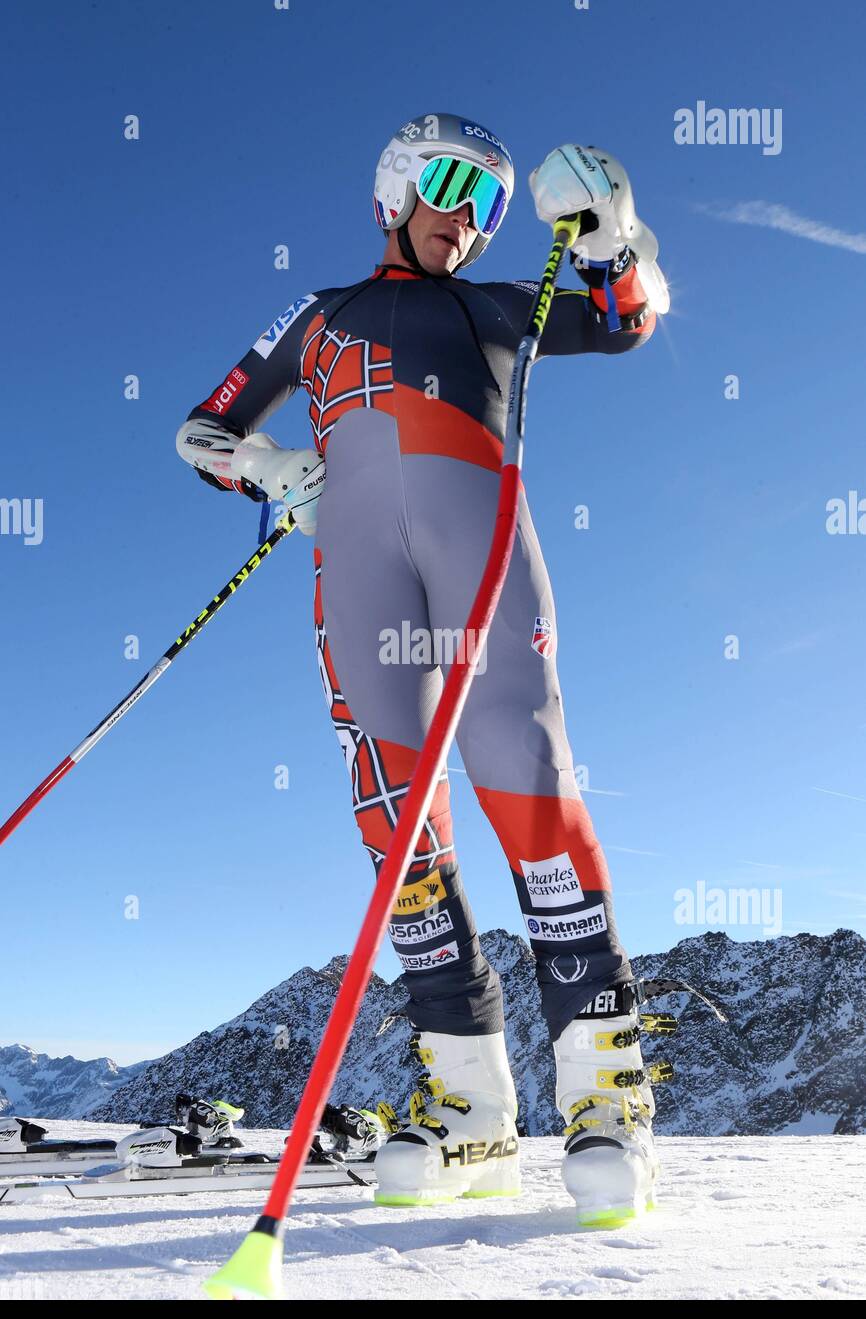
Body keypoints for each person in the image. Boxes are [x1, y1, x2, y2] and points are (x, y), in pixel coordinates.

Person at [176, 115, 668, 1229]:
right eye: (452, 188)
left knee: (520, 764)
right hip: (351, 560)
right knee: (394, 815)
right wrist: (267, 466)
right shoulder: (319, 316)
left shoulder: (501, 305)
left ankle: (604, 1094)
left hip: (477, 535)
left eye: (492, 207)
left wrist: (613, 233)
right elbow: (202, 428)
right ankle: (470, 1111)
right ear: (395, 184)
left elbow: (626, 321)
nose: (470, 219)